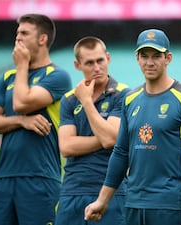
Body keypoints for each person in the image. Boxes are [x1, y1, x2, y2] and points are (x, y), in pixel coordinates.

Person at [84, 28, 181, 225]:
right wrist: (102, 200)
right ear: (137, 58)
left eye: (157, 56)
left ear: (168, 58)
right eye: (144, 56)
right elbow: (121, 153)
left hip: (172, 205)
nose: (150, 62)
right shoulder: (130, 100)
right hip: (134, 205)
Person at [0, 13, 72, 225]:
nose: (18, 38)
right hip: (3, 179)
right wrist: (21, 122)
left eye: (24, 33)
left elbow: (21, 103)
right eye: (17, 33)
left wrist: (21, 66)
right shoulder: (7, 78)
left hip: (39, 178)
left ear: (42, 39)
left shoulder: (57, 76)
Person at [55, 36, 130, 225]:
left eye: (100, 60)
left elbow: (109, 139)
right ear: (77, 65)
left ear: (108, 58)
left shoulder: (123, 94)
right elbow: (66, 147)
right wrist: (111, 136)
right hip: (72, 190)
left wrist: (87, 101)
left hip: (112, 190)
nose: (96, 67)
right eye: (89, 63)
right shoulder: (69, 99)